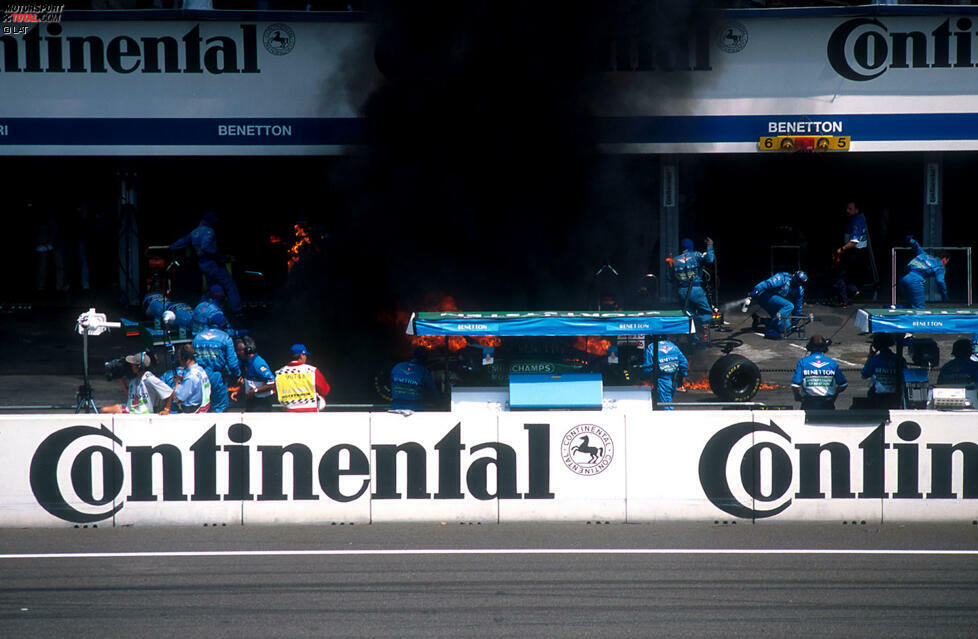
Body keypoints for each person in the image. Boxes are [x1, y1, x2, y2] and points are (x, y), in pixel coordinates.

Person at [170, 211, 242, 315]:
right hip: (213, 264)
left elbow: (180, 243)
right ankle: (237, 310)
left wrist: (171, 247)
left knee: (209, 289)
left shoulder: (194, 232)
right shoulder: (209, 231)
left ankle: (199, 310)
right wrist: (220, 257)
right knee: (229, 285)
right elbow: (206, 247)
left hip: (203, 265)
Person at [667, 237, 715, 334]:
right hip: (696, 289)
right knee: (707, 314)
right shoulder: (696, 255)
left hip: (682, 291)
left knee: (688, 315)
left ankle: (693, 339)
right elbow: (710, 259)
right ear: (691, 246)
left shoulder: (675, 260)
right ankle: (699, 330)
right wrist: (710, 246)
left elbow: (669, 278)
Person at [102, 352, 174, 415]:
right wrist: (120, 378)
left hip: (144, 412)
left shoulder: (150, 379)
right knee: (104, 410)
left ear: (140, 366)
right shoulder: (135, 380)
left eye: (133, 364)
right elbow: (130, 397)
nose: (131, 366)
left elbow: (170, 393)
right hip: (132, 409)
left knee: (104, 410)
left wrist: (166, 410)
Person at [791, 334, 848, 409]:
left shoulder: (803, 362)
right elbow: (843, 384)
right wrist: (835, 395)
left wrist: (797, 397)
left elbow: (795, 385)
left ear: (809, 347)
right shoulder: (832, 363)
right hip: (828, 403)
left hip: (808, 403)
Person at [192, 324, 240, 411]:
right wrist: (237, 375)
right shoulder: (225, 338)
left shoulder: (197, 337)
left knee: (201, 406)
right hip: (217, 376)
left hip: (199, 376)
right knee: (219, 407)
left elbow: (192, 359)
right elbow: (232, 363)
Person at [746, 271, 807, 339]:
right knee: (789, 306)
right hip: (764, 297)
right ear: (795, 278)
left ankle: (759, 320)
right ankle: (770, 330)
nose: (799, 284)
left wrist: (794, 324)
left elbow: (798, 306)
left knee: (786, 328)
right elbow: (767, 283)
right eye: (798, 281)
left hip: (776, 303)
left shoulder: (799, 290)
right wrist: (756, 290)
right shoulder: (783, 278)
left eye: (801, 283)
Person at [833, 200, 872, 306]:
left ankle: (845, 299)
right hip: (855, 253)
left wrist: (841, 249)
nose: (847, 211)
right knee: (848, 276)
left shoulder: (857, 221)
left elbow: (854, 242)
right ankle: (852, 290)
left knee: (840, 276)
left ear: (856, 210)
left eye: (850, 209)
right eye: (847, 208)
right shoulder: (853, 219)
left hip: (854, 252)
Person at [275, 344, 331, 412]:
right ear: (302, 355)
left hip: (289, 413)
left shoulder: (279, 373)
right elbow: (324, 390)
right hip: (310, 412)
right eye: (305, 355)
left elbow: (277, 392)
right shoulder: (311, 370)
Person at [900, 236, 948, 309]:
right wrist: (944, 295)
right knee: (919, 308)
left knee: (909, 305)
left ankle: (891, 309)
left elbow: (916, 246)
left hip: (904, 278)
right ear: (944, 259)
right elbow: (940, 281)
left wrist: (910, 240)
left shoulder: (924, 255)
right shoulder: (940, 267)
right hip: (915, 281)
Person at [861, 333, 907, 408]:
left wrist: (870, 357)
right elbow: (905, 376)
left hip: (878, 396)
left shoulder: (874, 360)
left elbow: (864, 374)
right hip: (896, 394)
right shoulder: (900, 360)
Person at [642, 338, 688, 410]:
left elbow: (648, 367)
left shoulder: (651, 347)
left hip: (662, 379)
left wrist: (644, 377)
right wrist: (682, 375)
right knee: (664, 400)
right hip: (674, 378)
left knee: (666, 404)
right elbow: (684, 362)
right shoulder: (673, 346)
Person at [236, 336, 276, 411]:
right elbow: (250, 382)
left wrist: (255, 391)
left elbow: (273, 383)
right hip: (252, 401)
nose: (237, 353)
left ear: (247, 350)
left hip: (261, 403)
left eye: (239, 350)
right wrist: (239, 391)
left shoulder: (258, 363)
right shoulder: (246, 362)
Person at [172, 344, 211, 413]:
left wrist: (177, 382)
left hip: (191, 411)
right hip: (203, 407)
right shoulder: (200, 370)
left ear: (186, 358)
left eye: (179, 357)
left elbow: (178, 397)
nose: (179, 359)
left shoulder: (191, 376)